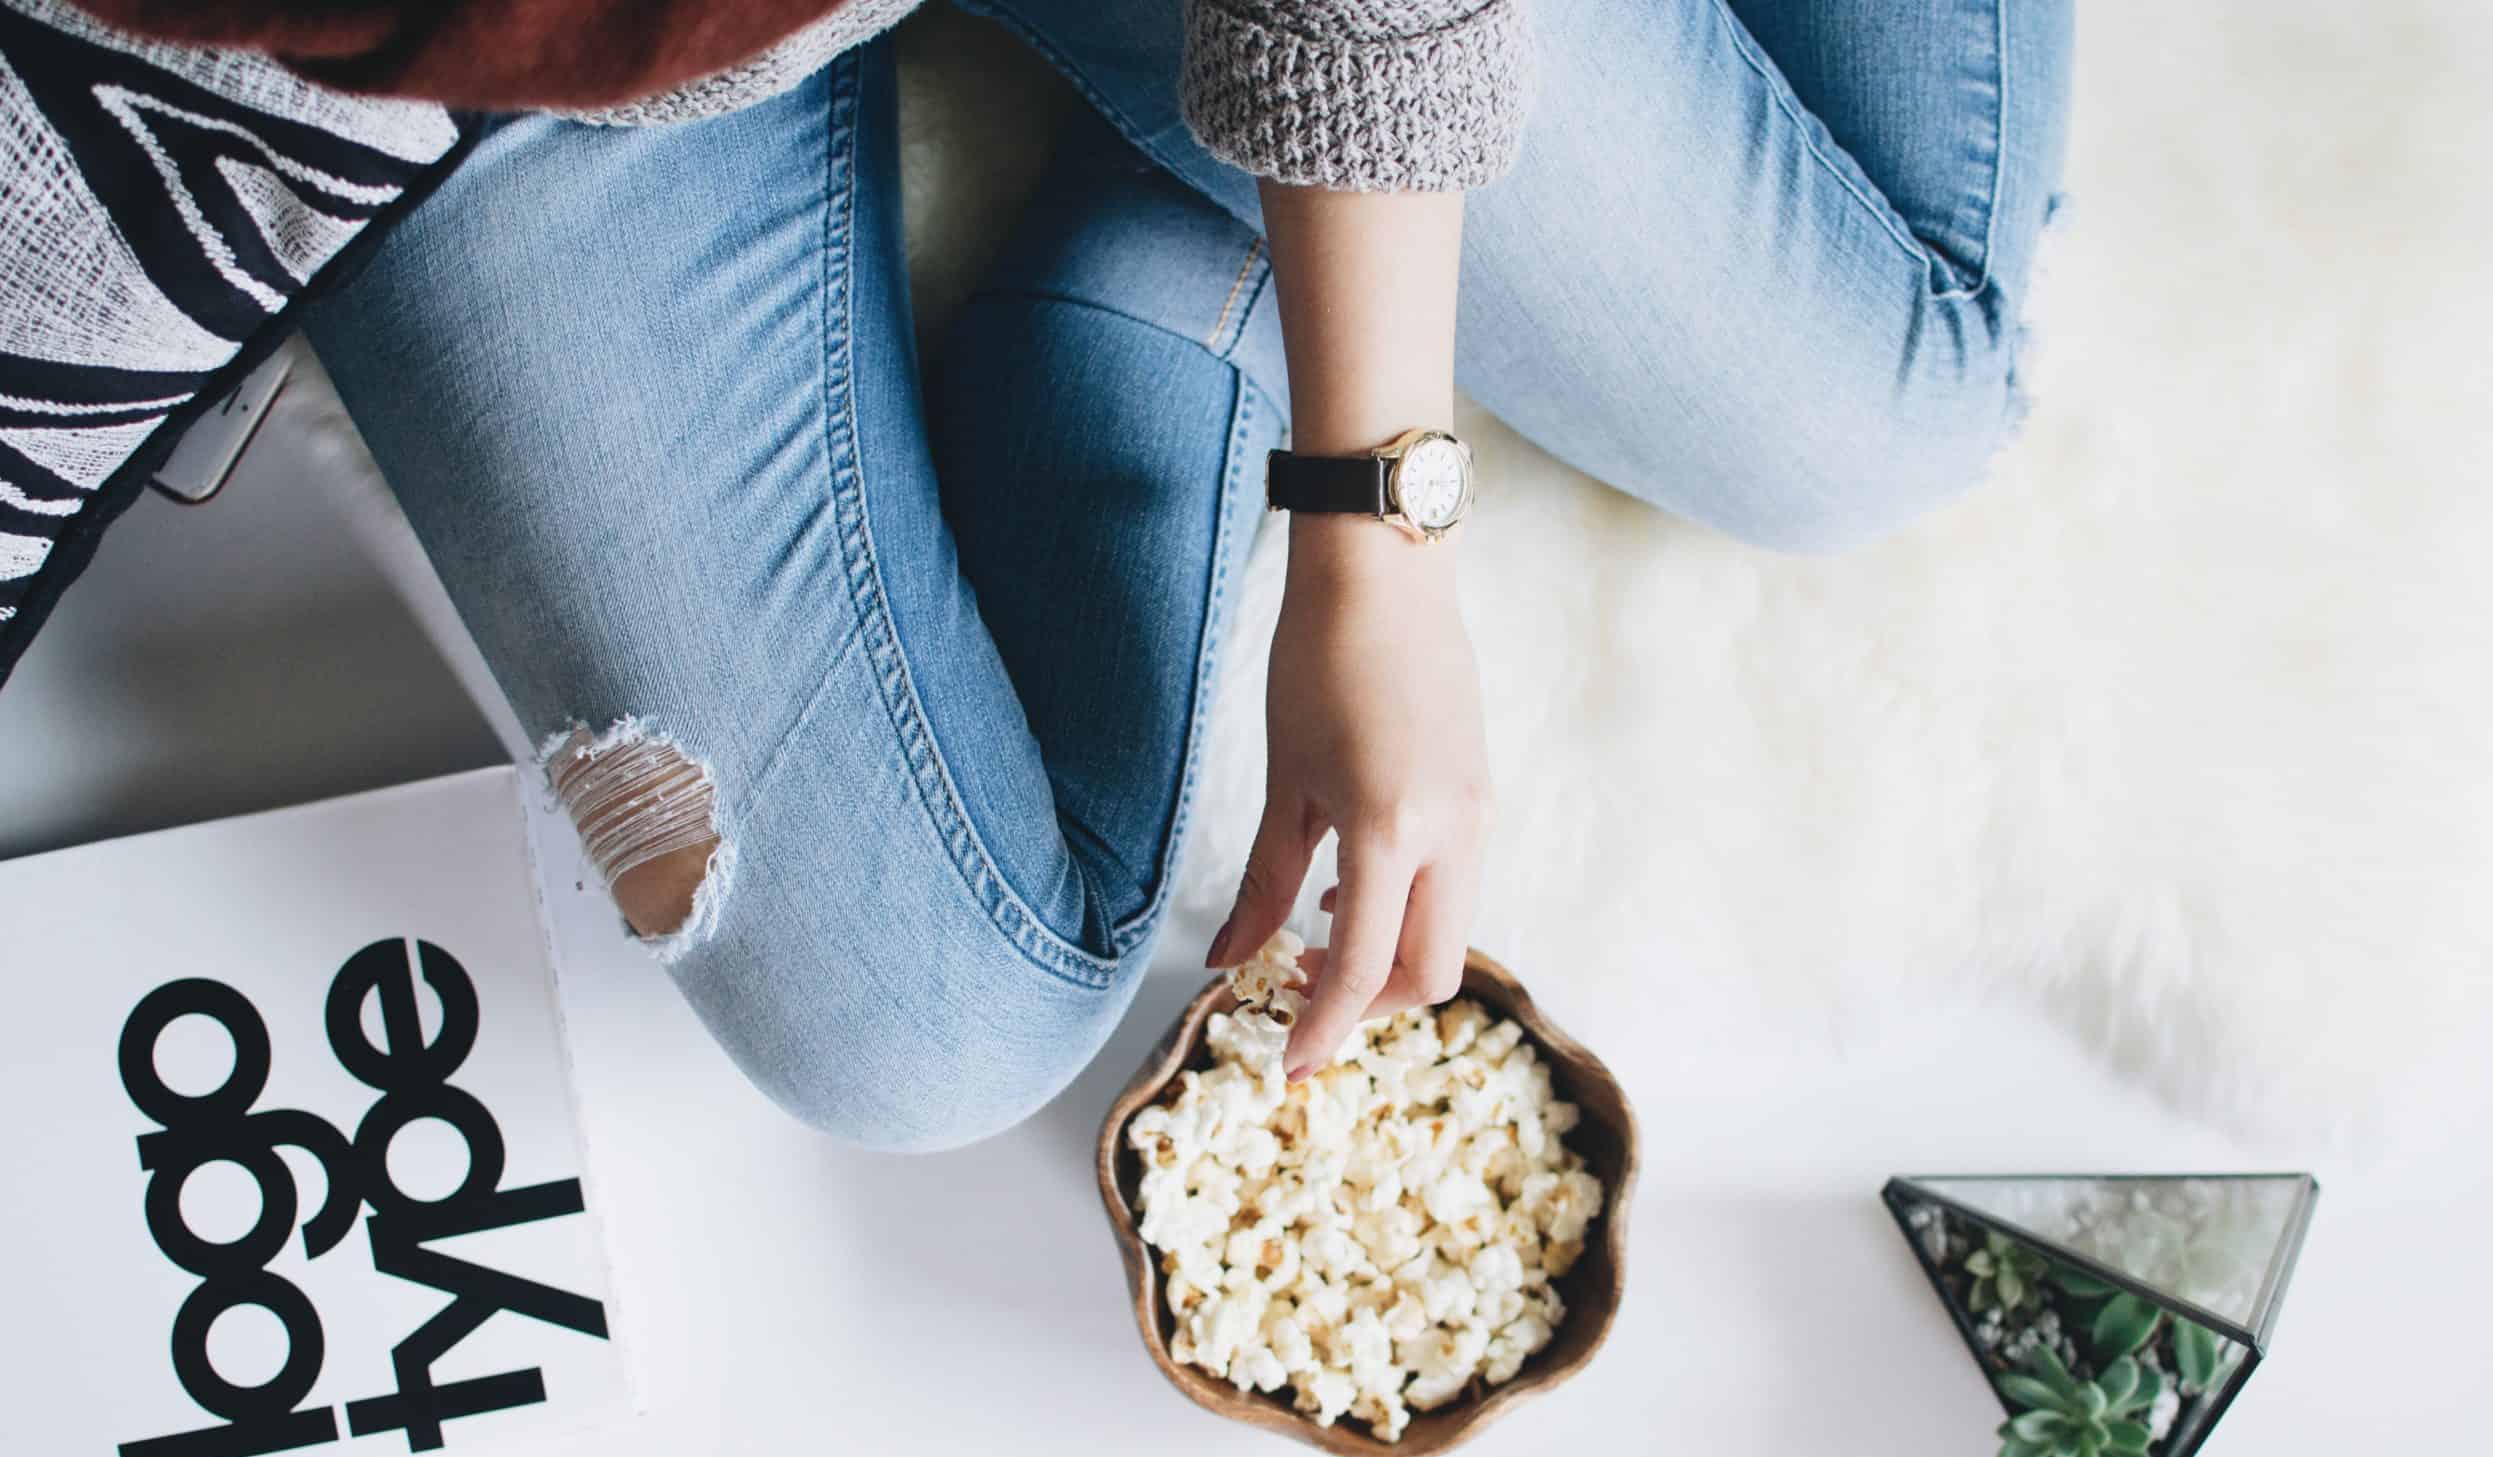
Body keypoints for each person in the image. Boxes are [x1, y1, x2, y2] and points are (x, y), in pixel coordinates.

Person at [88, 0, 2073, 1150]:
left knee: (1870, 419)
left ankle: (1248, 175)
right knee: (909, 1036)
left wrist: (1371, 511)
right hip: (486, 63)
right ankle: (1192, 206)